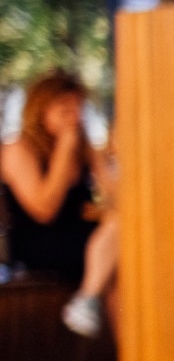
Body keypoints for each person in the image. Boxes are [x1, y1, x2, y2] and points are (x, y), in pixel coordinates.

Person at [2, 70, 118, 336]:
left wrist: (101, 159)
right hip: (38, 245)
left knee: (124, 258)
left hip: (82, 242)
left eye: (78, 108)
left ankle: (130, 360)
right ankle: (87, 298)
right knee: (119, 253)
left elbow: (118, 197)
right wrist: (65, 151)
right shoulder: (18, 148)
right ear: (41, 110)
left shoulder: (83, 147)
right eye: (65, 108)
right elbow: (45, 210)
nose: (74, 117)